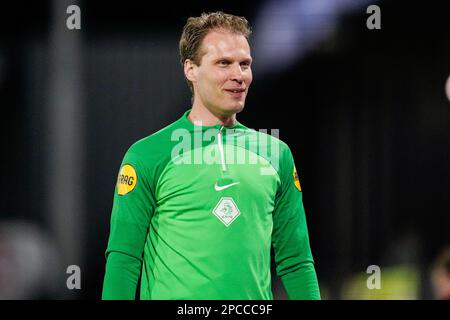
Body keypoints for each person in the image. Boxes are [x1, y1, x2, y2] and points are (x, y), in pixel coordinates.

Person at [102, 11, 320, 300]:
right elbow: (124, 260)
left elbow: (295, 261)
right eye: (224, 63)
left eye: (245, 64)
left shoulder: (276, 154)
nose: (238, 75)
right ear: (191, 69)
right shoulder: (147, 155)